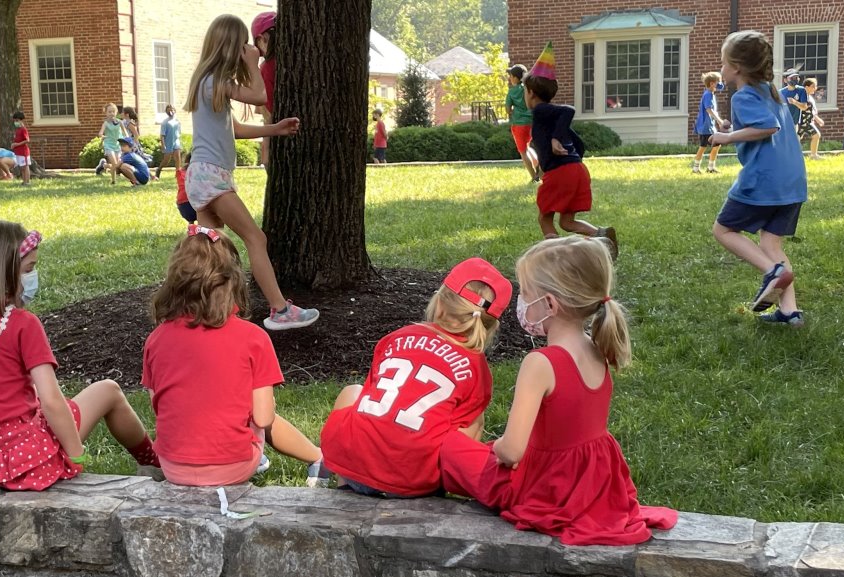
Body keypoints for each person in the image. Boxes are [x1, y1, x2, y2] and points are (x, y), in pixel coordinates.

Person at [440, 236, 678, 545]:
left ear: (550, 304)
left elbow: (512, 451)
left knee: (449, 448)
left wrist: (495, 446)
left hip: (546, 488)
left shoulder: (540, 363)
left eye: (526, 294)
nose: (521, 303)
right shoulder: (597, 346)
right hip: (593, 485)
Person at [0, 218, 160, 491]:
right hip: (27, 461)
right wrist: (75, 454)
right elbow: (52, 401)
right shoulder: (22, 325)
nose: (32, 277)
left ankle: (153, 463)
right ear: (2, 274)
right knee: (108, 390)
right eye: (29, 269)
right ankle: (154, 463)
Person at [142, 224, 324, 486]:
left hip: (173, 467)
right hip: (234, 467)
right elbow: (264, 418)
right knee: (256, 412)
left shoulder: (156, 339)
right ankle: (317, 457)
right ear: (232, 281)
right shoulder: (253, 338)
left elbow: (158, 406)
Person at [320, 258, 511, 498]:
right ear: (489, 324)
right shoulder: (476, 368)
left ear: (439, 303)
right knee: (475, 419)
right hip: (414, 481)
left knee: (353, 391)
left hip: (355, 469)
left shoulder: (397, 337)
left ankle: (343, 485)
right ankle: (449, 482)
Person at [186, 14, 319, 330]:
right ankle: (280, 310)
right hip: (211, 176)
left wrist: (275, 129)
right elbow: (260, 96)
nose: (249, 48)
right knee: (255, 238)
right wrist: (253, 63)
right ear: (230, 46)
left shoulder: (207, 82)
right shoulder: (214, 82)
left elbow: (234, 129)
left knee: (213, 251)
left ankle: (202, 310)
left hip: (201, 176)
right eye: (242, 44)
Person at [708, 30, 808, 327]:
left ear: (737, 67)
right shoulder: (770, 91)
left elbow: (768, 127)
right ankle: (790, 311)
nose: (721, 68)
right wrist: (734, 129)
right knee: (772, 244)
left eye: (724, 62)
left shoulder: (743, 95)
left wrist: (727, 137)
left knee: (723, 230)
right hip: (792, 181)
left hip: (765, 180)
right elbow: (763, 126)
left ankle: (772, 271)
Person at [523, 43, 618, 257]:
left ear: (531, 92)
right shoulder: (553, 119)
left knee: (545, 218)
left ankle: (556, 255)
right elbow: (579, 143)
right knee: (567, 222)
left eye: (524, 92)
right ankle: (601, 236)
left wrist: (555, 139)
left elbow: (568, 109)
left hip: (561, 173)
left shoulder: (540, 110)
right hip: (576, 169)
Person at [504, 64, 538, 182]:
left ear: (515, 78)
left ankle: (534, 176)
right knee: (528, 147)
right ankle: (538, 169)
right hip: (532, 122)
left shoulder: (512, 92)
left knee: (523, 151)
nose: (510, 78)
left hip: (519, 124)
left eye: (511, 76)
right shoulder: (529, 89)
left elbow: (508, 109)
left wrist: (512, 111)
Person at [252, 10, 277, 168]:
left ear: (262, 39)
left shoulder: (266, 68)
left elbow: (268, 115)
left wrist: (265, 154)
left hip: (278, 135)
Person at [692, 72, 729, 174]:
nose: (720, 84)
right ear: (712, 83)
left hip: (709, 126)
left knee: (715, 145)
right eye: (718, 82)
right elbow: (709, 109)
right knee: (704, 146)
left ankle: (710, 167)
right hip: (705, 127)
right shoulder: (708, 95)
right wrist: (719, 120)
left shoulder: (710, 94)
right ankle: (697, 168)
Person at [94, 104, 124, 183]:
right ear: (106, 113)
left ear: (116, 112)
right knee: (114, 163)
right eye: (109, 112)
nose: (111, 113)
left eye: (113, 111)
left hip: (117, 145)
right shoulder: (105, 123)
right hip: (108, 145)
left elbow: (125, 132)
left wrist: (127, 140)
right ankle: (113, 181)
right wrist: (102, 136)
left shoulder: (120, 122)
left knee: (117, 164)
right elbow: (100, 133)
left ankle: (104, 165)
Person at [799, 78, 825, 160]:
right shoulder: (803, 97)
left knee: (797, 138)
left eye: (815, 86)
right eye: (813, 86)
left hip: (808, 121)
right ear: (806, 87)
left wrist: (817, 119)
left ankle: (813, 155)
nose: (815, 88)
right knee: (816, 135)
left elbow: (812, 111)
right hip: (803, 122)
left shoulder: (809, 97)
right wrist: (817, 119)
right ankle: (813, 155)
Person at [155, 105, 182, 180]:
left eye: (172, 110)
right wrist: (163, 144)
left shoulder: (177, 121)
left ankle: (178, 174)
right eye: (169, 110)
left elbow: (179, 132)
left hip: (176, 141)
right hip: (168, 142)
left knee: (178, 158)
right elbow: (162, 135)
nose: (171, 111)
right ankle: (159, 169)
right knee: (166, 160)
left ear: (175, 111)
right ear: (166, 112)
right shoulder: (165, 122)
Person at [779, 70, 809, 134]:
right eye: (792, 78)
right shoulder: (780, 92)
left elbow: (804, 107)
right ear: (785, 80)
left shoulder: (801, 90)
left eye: (796, 77)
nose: (794, 79)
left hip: (794, 123)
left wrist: (795, 102)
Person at [11, 110, 32, 186]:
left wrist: (17, 144)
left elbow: (27, 140)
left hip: (24, 152)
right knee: (22, 167)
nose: (15, 122)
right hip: (18, 152)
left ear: (21, 120)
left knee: (25, 167)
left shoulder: (23, 129)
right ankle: (24, 181)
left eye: (17, 120)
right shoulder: (18, 130)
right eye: (14, 121)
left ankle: (27, 181)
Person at [175, 151, 196, 222]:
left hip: (183, 206)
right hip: (197, 206)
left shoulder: (180, 172)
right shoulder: (201, 173)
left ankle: (191, 224)